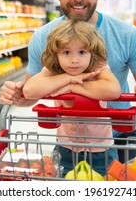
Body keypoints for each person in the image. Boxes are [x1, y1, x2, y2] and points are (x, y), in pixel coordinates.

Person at [0, 0, 136, 163]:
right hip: (72, 141)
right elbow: (31, 93)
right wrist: (17, 95)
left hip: (122, 134)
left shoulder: (128, 35)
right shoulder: (43, 37)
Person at [23, 19, 121, 176]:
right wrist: (66, 79)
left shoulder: (98, 67)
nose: (74, 60)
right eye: (66, 52)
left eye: (82, 52)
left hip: (101, 151)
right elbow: (29, 90)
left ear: (92, 53)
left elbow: (114, 90)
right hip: (65, 149)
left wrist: (73, 87)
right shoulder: (54, 69)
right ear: (56, 54)